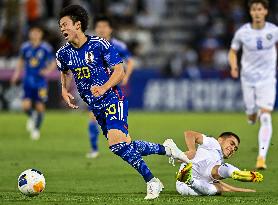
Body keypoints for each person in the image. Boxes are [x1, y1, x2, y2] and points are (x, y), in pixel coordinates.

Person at [56, 5, 189, 200]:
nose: (62, 28)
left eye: (65, 24)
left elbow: (120, 71)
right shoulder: (63, 53)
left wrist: (104, 87)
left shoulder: (100, 44)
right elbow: (65, 72)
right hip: (95, 106)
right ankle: (167, 149)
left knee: (117, 143)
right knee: (125, 145)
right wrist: (64, 89)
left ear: (78, 25)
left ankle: (152, 181)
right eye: (60, 25)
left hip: (112, 99)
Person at [228, 0, 278, 169]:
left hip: (267, 79)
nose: (257, 12)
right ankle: (252, 113)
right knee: (251, 117)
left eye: (260, 9)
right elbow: (233, 51)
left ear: (265, 11)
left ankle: (261, 157)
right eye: (254, 9)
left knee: (265, 116)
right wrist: (234, 66)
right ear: (250, 12)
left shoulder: (274, 31)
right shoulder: (243, 32)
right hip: (248, 79)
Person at [86, 15, 135, 158]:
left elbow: (130, 61)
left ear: (110, 29)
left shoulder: (118, 46)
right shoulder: (90, 45)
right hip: (98, 88)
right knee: (92, 117)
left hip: (113, 88)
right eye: (99, 26)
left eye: (104, 26)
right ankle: (94, 149)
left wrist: (126, 76)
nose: (101, 29)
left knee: (117, 122)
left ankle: (127, 144)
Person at [176, 130, 263, 196]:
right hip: (192, 173)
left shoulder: (219, 159)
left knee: (218, 188)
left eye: (235, 148)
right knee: (222, 172)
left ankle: (190, 181)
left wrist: (239, 190)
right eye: (231, 143)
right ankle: (234, 172)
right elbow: (189, 133)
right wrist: (192, 151)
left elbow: (218, 182)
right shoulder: (213, 143)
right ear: (220, 140)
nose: (233, 149)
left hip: (189, 186)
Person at [11, 25, 56, 140]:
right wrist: (16, 74)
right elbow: (21, 61)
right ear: (30, 34)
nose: (35, 34)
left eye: (37, 32)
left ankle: (36, 129)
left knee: (40, 107)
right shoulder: (25, 47)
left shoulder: (45, 48)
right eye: (33, 32)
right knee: (25, 106)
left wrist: (46, 71)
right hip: (28, 81)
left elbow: (53, 63)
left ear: (41, 34)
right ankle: (32, 117)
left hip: (40, 82)